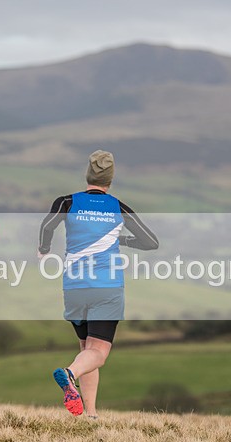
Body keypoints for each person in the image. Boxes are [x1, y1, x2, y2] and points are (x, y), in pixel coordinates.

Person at [38, 150, 158, 418]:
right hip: (107, 287)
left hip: (74, 288)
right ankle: (69, 374)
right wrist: (121, 240)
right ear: (110, 180)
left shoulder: (67, 202)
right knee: (99, 353)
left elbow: (47, 226)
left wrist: (44, 248)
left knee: (87, 350)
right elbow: (151, 242)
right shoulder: (119, 207)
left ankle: (90, 414)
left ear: (88, 175)